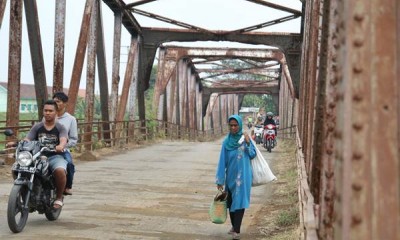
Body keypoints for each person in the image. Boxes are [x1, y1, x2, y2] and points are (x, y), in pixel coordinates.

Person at [215, 114, 257, 240]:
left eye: (235, 125)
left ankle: (237, 230)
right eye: (231, 125)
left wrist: (249, 143)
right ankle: (234, 226)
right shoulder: (226, 143)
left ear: (239, 125)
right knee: (231, 202)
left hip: (244, 177)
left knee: (240, 201)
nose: (233, 128)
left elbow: (252, 154)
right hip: (231, 177)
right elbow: (222, 162)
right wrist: (220, 180)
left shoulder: (245, 139)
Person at [25, 99, 68, 209]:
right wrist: (20, 143)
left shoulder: (60, 127)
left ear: (56, 112)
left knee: (60, 170)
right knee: (21, 167)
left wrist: (61, 146)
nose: (48, 113)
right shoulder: (37, 126)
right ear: (43, 112)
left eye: (50, 111)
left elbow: (63, 139)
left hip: (55, 156)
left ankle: (59, 197)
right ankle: (25, 193)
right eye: (45, 110)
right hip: (37, 156)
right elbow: (28, 139)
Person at [53, 92, 78, 195]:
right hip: (46, 148)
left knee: (70, 164)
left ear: (65, 103)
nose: (55, 104)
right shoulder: (48, 116)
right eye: (54, 102)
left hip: (62, 149)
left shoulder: (71, 119)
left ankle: (67, 186)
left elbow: (73, 139)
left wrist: (63, 146)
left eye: (58, 102)